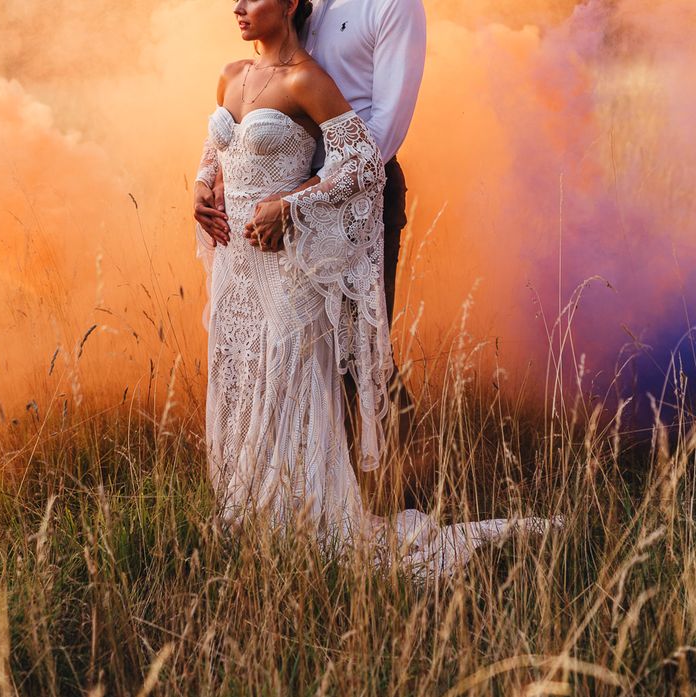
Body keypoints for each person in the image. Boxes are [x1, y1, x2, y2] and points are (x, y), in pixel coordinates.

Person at [193, 0, 559, 580]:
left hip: (347, 200)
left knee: (360, 355)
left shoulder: (392, 9)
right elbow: (227, 140)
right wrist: (205, 186)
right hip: (262, 229)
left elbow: (378, 134)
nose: (237, 7)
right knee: (268, 368)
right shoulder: (276, 38)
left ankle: (403, 492)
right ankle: (275, 493)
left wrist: (304, 201)